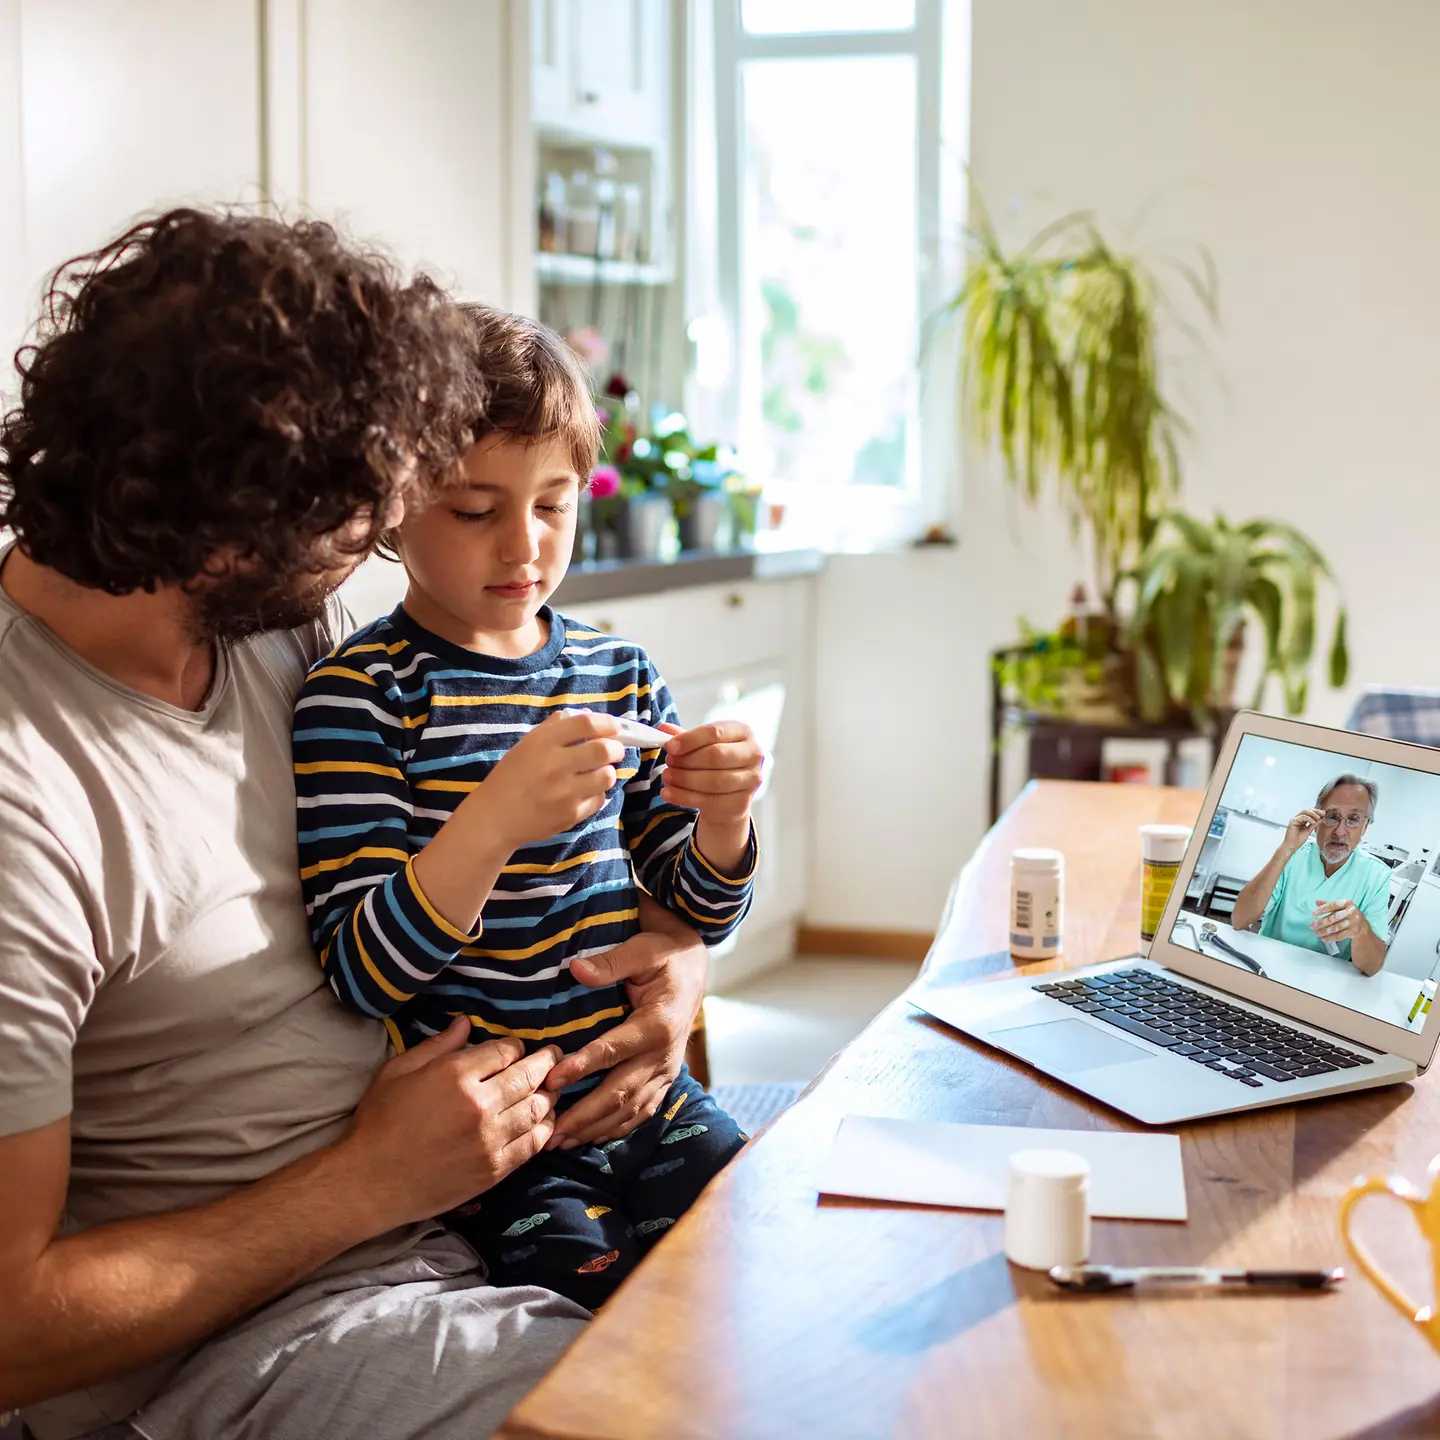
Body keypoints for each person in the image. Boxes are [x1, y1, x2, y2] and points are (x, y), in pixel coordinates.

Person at [0, 210, 714, 1440]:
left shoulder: (277, 628)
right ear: (232, 526)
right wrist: (366, 1184)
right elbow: (11, 1328)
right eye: (369, 513)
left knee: (826, 1275)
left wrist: (673, 969)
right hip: (268, 1327)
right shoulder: (28, 800)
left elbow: (528, 858)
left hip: (475, 1191)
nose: (388, 534)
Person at [293, 304, 763, 1309]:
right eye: (475, 509)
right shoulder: (362, 696)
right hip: (504, 1139)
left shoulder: (616, 671)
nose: (524, 545)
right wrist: (495, 818)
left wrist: (722, 823)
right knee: (592, 1318)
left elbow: (695, 908)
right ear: (394, 505)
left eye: (554, 504)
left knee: (752, 1252)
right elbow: (362, 970)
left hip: (648, 1096)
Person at [1230, 774, 1391, 975]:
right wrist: (1285, 849)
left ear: (1365, 827)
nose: (1340, 832)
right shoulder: (1293, 855)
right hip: (1266, 964)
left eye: (1353, 819)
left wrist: (1361, 929)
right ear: (1316, 819)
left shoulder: (1376, 875)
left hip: (1324, 979)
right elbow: (1239, 919)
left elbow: (1372, 967)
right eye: (1332, 817)